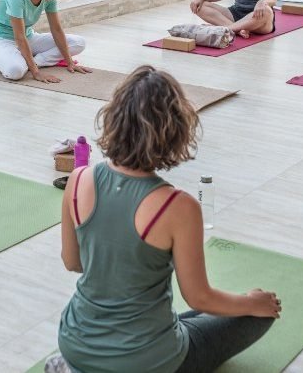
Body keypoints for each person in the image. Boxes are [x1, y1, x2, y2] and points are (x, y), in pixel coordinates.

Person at [56, 66, 280, 373]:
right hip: (146, 362)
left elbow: (73, 262)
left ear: (114, 120)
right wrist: (253, 303)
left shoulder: (78, 179)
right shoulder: (178, 206)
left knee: (183, 319)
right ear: (174, 130)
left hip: (75, 343)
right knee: (259, 314)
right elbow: (200, 297)